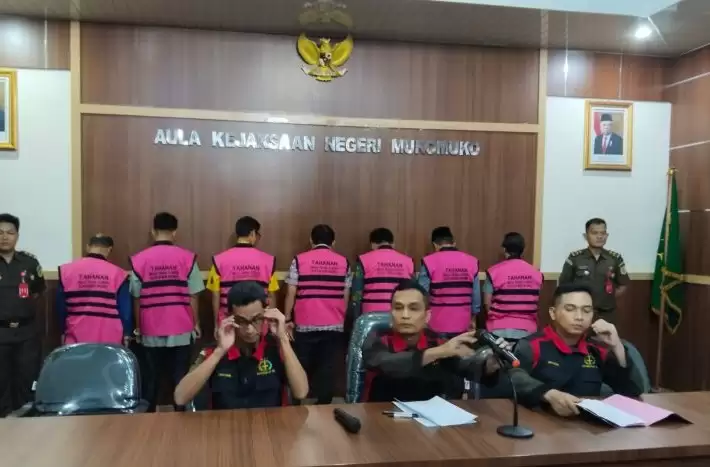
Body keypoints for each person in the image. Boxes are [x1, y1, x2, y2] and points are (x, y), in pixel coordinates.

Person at [509, 283, 643, 417]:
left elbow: (632, 392)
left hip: (587, 425)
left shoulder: (596, 349)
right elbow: (512, 377)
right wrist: (547, 393)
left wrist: (617, 346)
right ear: (553, 313)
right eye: (570, 309)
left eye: (586, 310)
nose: (579, 317)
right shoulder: (532, 345)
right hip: (540, 422)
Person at [362, 280, 506, 402]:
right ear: (391, 313)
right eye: (398, 308)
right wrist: (439, 352)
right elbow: (388, 364)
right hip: (382, 419)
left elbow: (468, 368)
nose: (405, 315)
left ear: (427, 316)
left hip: (432, 421)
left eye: (413, 308)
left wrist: (490, 365)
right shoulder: (376, 340)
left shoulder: (437, 342)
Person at [174, 281, 308, 409]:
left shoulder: (278, 348)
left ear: (266, 314)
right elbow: (180, 398)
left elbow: (301, 392)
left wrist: (283, 339)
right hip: (225, 423)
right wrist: (220, 351)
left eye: (256, 319)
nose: (249, 329)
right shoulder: (214, 351)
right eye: (241, 321)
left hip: (270, 423)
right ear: (229, 317)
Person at [129, 212, 205, 412]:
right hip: (181, 327)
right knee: (181, 378)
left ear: (153, 231)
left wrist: (138, 327)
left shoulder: (139, 260)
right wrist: (195, 323)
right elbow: (193, 295)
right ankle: (182, 418)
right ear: (175, 232)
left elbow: (137, 298)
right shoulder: (188, 258)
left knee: (151, 380)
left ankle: (148, 420)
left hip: (150, 329)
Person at [283, 224, 350, 405]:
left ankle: (297, 403)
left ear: (311, 240)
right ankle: (324, 405)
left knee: (301, 364)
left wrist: (287, 318)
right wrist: (341, 318)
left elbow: (291, 292)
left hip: (305, 323)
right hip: (334, 324)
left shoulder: (299, 260)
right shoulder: (344, 262)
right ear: (333, 242)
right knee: (327, 366)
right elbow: (345, 295)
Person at [0, 213, 46, 417]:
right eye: (0, 232)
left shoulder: (29, 262)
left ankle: (24, 420)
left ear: (17, 236)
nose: (5, 237)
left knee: (26, 377)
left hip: (26, 333)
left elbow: (37, 292)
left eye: (10, 232)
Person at [57, 234, 131, 345]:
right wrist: (127, 333)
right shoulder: (118, 274)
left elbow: (61, 308)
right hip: (110, 340)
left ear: (87, 247)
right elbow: (125, 311)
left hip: (76, 338)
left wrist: (62, 332)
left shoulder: (66, 271)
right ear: (109, 249)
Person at [206, 216, 279, 324]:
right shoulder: (268, 261)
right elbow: (271, 295)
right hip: (258, 322)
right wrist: (271, 322)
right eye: (258, 235)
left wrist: (217, 324)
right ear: (253, 233)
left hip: (229, 321)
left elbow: (216, 295)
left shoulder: (219, 260)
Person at [558, 218, 629, 323]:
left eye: (603, 233)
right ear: (586, 236)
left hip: (607, 313)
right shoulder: (575, 258)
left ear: (607, 236)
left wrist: (607, 297)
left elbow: (623, 284)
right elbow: (564, 284)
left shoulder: (615, 259)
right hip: (580, 313)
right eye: (595, 233)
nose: (599, 236)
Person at [417, 226, 480, 337]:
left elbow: (422, 294)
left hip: (436, 325)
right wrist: (473, 316)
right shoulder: (472, 261)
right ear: (453, 243)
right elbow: (476, 296)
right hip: (463, 324)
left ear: (435, 245)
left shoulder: (428, 261)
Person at [483, 232, 543, 341]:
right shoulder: (536, 273)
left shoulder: (493, 271)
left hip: (497, 328)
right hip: (527, 329)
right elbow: (536, 301)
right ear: (523, 250)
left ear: (504, 250)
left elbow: (487, 303)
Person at [349, 228, 414, 318]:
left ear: (373, 244)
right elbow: (414, 291)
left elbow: (357, 293)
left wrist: (357, 317)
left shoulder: (363, 260)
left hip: (370, 316)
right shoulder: (408, 261)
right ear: (393, 244)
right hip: (400, 314)